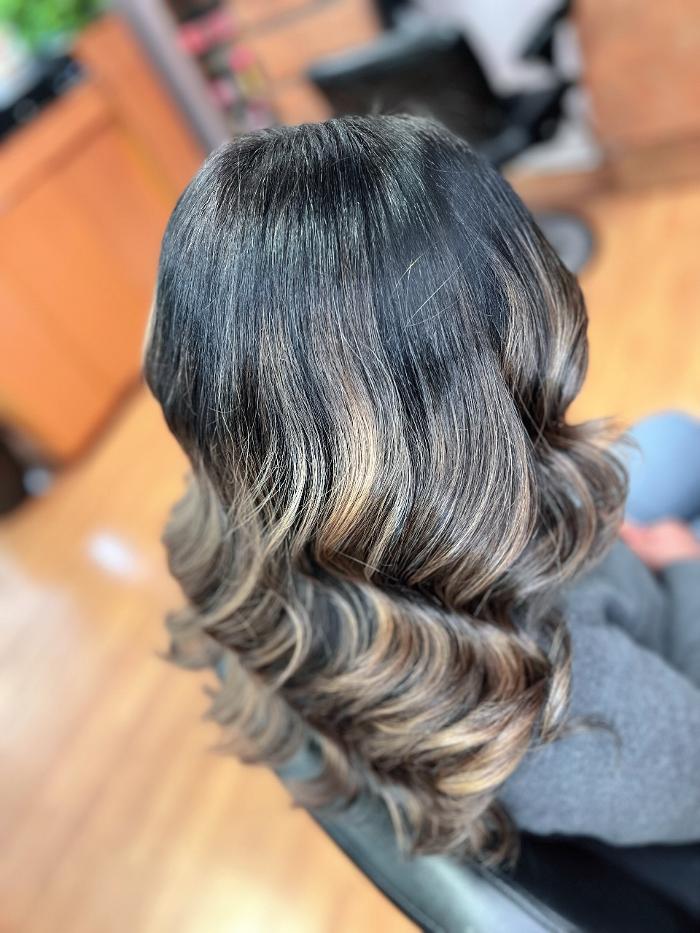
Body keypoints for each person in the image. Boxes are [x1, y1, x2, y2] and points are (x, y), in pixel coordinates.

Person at [143, 115, 700, 862]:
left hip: (557, 563)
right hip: (656, 650)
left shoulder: (236, 519)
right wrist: (683, 565)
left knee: (677, 437)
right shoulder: (576, 719)